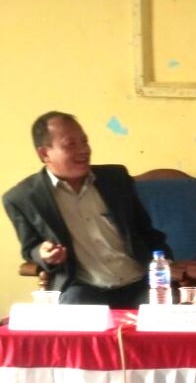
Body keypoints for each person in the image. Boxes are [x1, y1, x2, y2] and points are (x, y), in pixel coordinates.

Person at [3, 111, 168, 308]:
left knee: (167, 314)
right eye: (70, 144)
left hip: (140, 284)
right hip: (83, 288)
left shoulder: (115, 178)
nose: (83, 150)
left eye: (84, 141)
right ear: (44, 154)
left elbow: (146, 231)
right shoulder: (23, 198)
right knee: (74, 310)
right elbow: (30, 248)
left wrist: (169, 265)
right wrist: (44, 254)